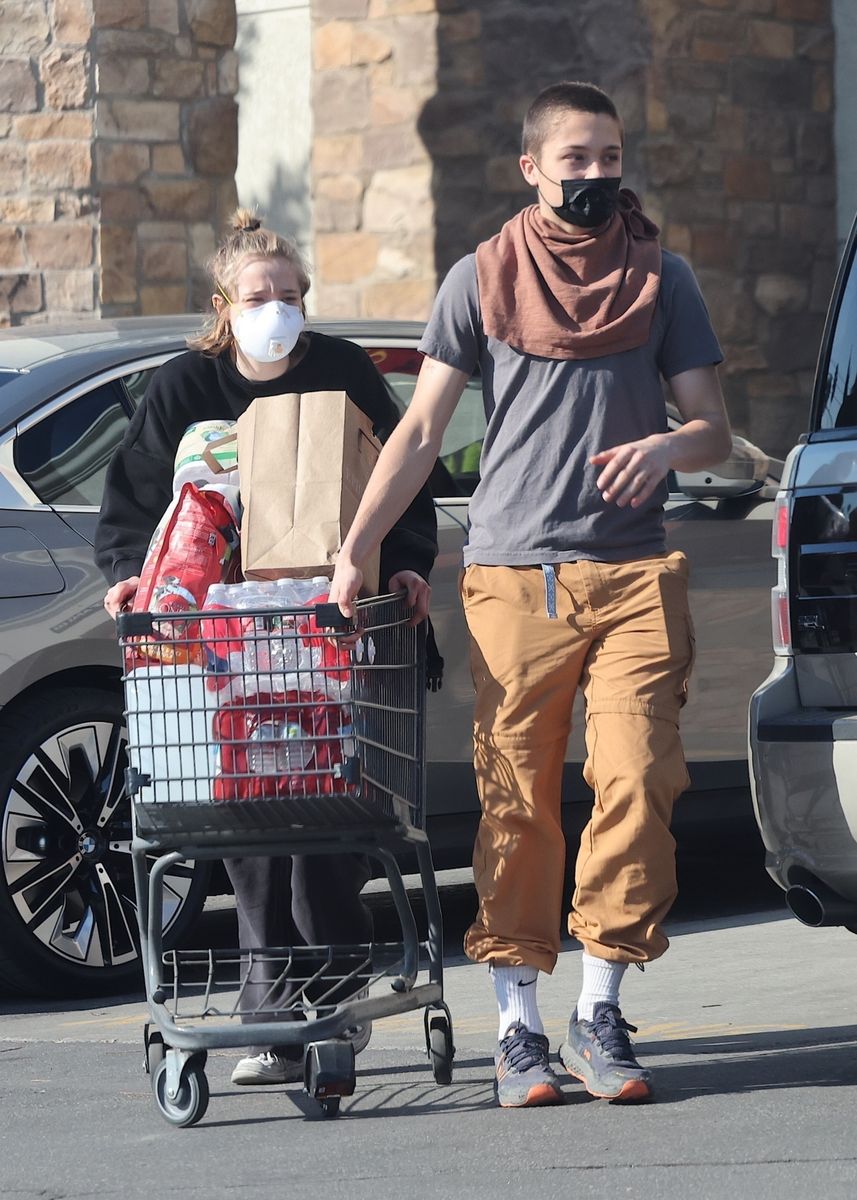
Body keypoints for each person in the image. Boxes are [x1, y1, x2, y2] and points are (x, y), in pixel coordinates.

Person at [329, 81, 732, 1108]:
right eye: (576, 159)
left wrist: (667, 446)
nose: (597, 175)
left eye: (609, 156)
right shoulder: (479, 278)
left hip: (636, 570)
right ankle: (516, 1027)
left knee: (636, 783)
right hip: (514, 577)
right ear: (530, 169)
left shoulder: (661, 275)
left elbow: (713, 427)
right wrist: (357, 546)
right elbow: (420, 431)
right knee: (515, 796)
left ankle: (600, 1006)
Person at [96, 208, 438, 1087]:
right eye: (259, 296)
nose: (276, 308)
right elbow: (137, 500)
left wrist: (402, 567)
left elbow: (401, 476)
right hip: (224, 637)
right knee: (248, 826)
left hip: (328, 624)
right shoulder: (187, 388)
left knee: (322, 815)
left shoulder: (340, 371)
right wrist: (129, 579)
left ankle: (328, 986)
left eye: (290, 295)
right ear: (224, 304)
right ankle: (269, 1018)